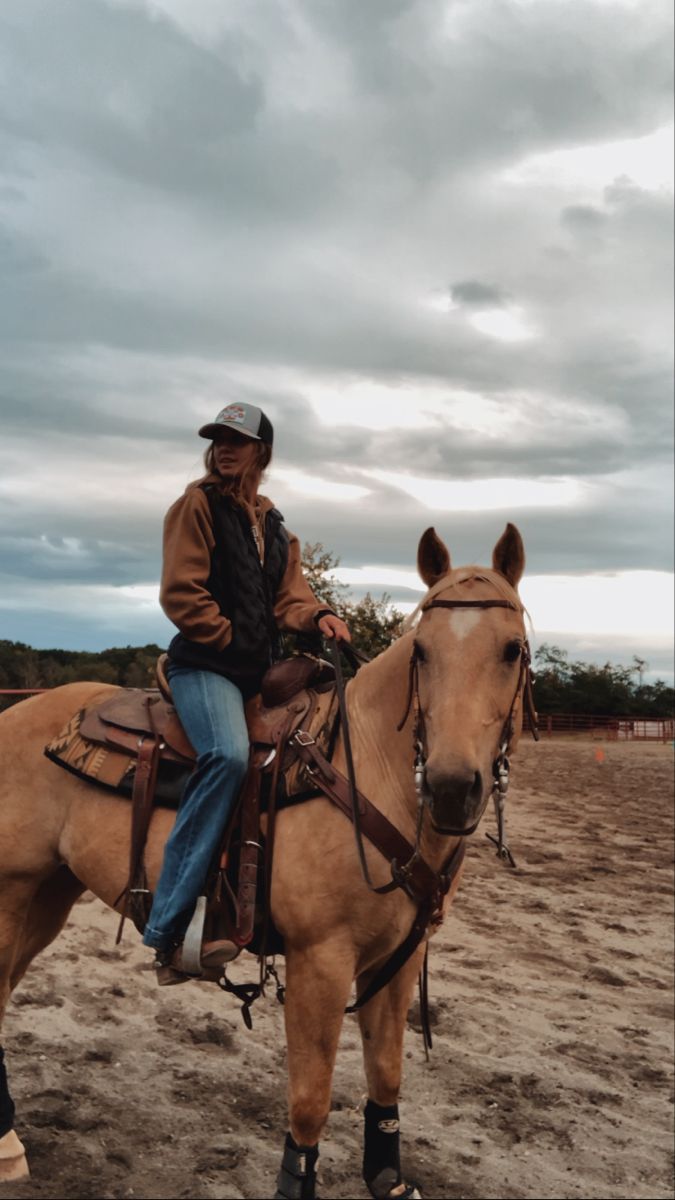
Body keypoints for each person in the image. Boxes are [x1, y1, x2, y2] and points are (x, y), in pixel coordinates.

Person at [142, 402, 351, 984]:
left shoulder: (277, 529)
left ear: (261, 451)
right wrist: (234, 640)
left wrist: (321, 616)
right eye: (217, 439)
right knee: (228, 756)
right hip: (204, 666)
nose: (224, 448)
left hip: (254, 673)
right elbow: (181, 594)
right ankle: (167, 927)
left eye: (236, 440)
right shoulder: (196, 506)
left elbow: (291, 599)